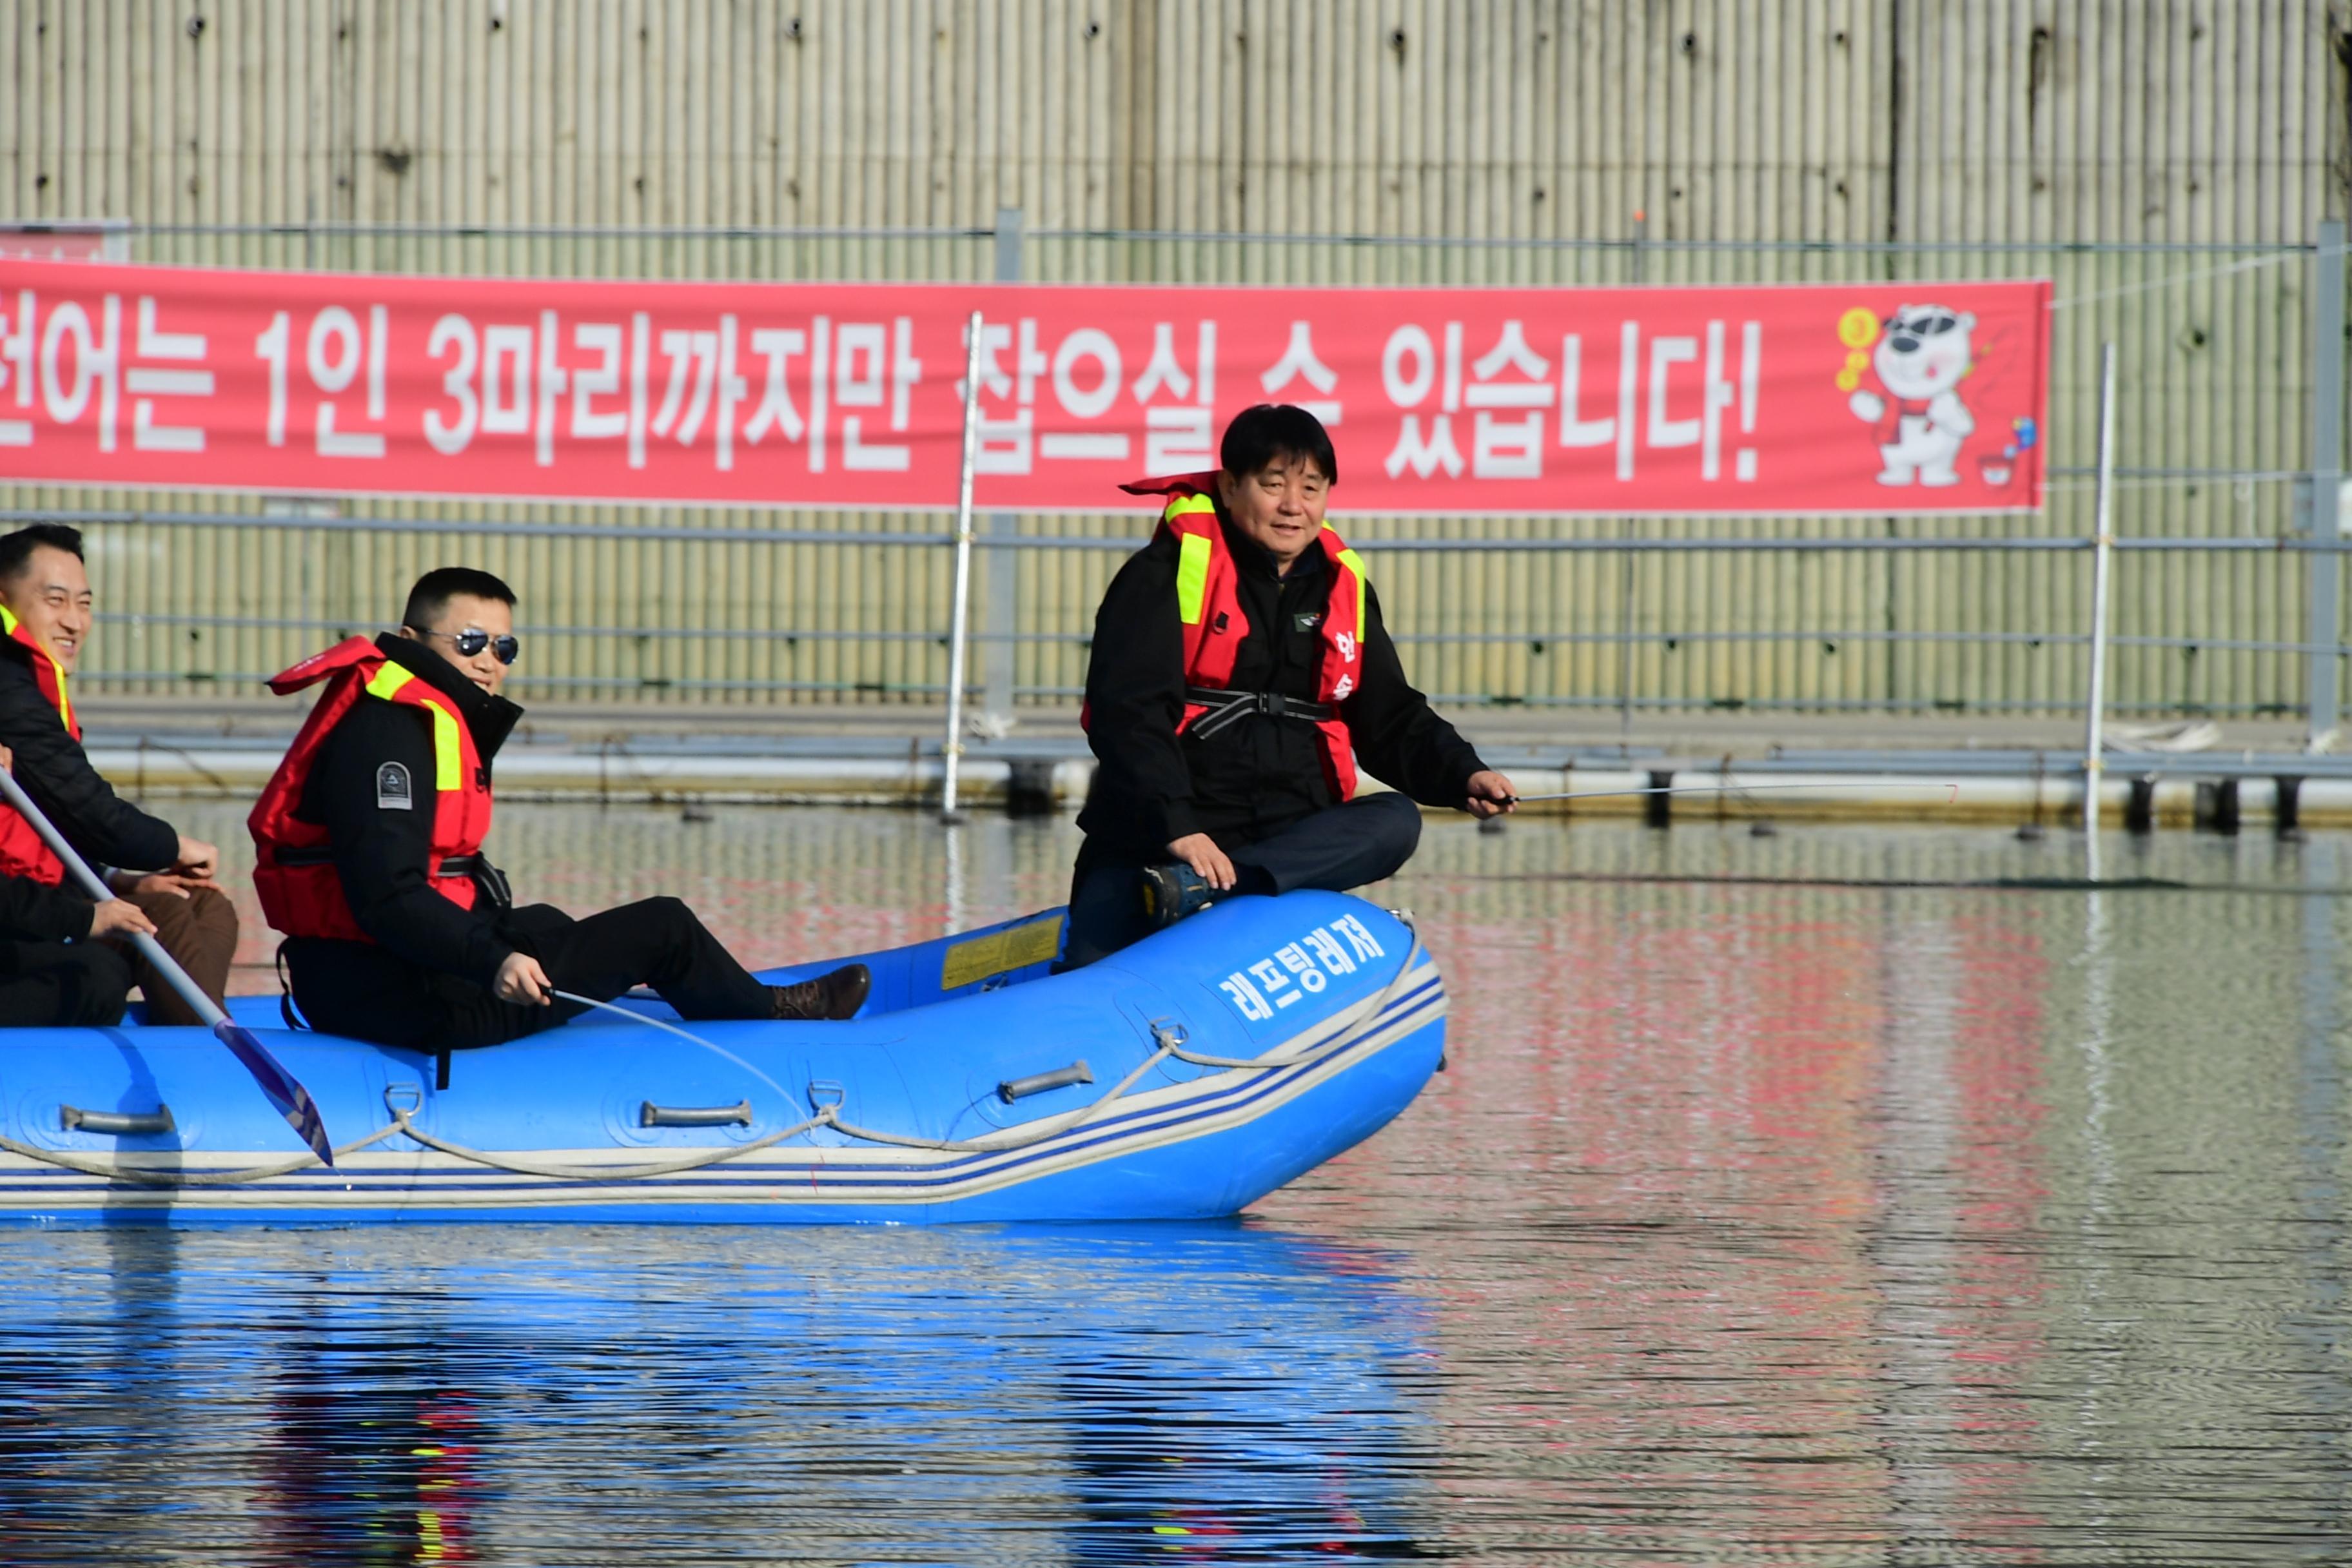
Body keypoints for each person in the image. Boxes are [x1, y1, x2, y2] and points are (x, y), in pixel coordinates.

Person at [249, 567, 868, 1052]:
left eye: (504, 645)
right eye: (469, 642)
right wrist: (493, 959)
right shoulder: (390, 733)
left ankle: (730, 998)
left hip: (366, 979)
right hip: (403, 1001)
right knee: (663, 927)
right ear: (411, 641)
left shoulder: (401, 713)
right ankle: (773, 1019)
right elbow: (388, 895)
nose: (489, 660)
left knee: (544, 921)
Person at [1065, 404, 1516, 967]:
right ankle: (1187, 885)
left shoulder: (1342, 587)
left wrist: (1463, 773)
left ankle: (1219, 891)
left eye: (1311, 488)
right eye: (1272, 485)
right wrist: (1179, 829)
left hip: (1285, 837)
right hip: (1165, 840)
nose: (1293, 506)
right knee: (1087, 969)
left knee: (1396, 820)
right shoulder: (1163, 573)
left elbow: (1390, 716)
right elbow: (1127, 715)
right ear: (1230, 487)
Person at [0, 524, 238, 1025]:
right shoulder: (8, 685)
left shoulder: (30, 683)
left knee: (202, 905)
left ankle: (203, 1041)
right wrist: (172, 847)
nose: (74, 622)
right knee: (135, 942)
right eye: (55, 600)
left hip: (37, 903)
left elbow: (53, 828)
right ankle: (207, 1061)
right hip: (22, 918)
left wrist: (121, 877)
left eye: (84, 604)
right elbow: (87, 807)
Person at [0, 741, 155, 1028]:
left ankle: (202, 1043)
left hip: (36, 906)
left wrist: (112, 878)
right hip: (28, 910)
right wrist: (83, 919)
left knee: (194, 908)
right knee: (98, 977)